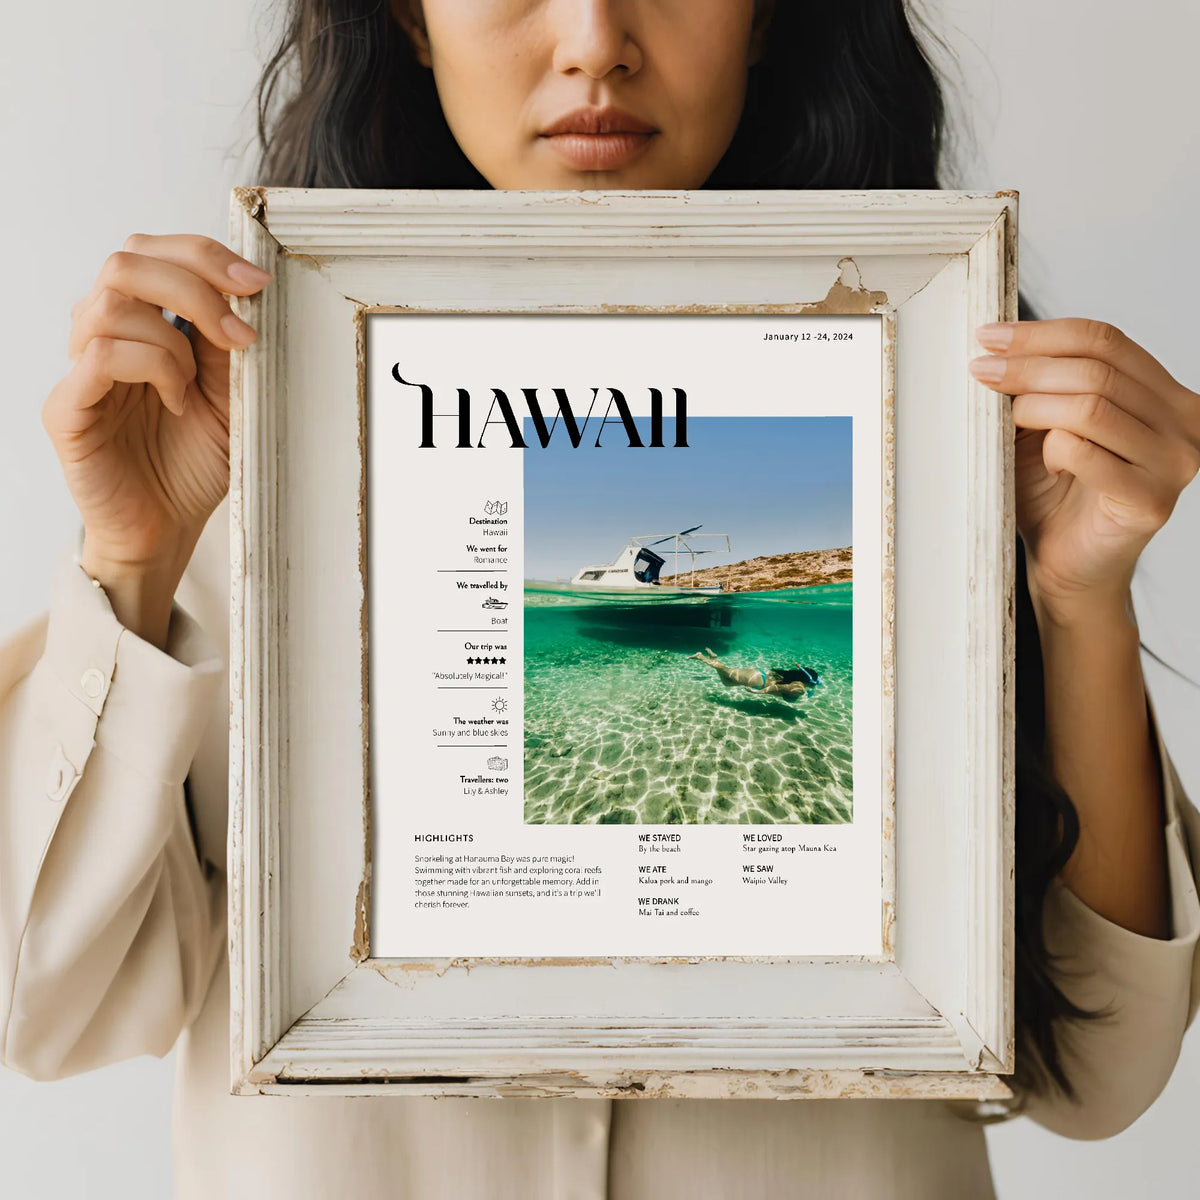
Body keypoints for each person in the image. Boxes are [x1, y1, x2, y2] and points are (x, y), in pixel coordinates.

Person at [2, 1, 1199, 1197]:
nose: (593, 40)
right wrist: (131, 559)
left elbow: (1102, 1071)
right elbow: (48, 1014)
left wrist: (1079, 597)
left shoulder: (949, 428)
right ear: (410, 22)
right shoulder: (241, 460)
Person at [689, 648, 821, 699]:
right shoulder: (800, 688)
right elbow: (779, 687)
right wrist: (758, 692)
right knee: (726, 671)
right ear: (809, 681)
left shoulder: (791, 678)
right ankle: (701, 656)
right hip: (758, 682)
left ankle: (714, 658)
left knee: (726, 682)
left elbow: (779, 685)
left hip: (759, 675)